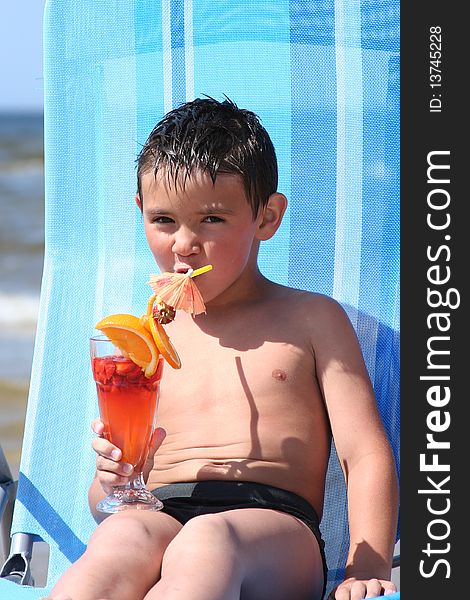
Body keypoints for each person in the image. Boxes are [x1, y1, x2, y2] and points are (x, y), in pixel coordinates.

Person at [45, 97, 399, 600]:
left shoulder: (311, 319)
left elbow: (364, 454)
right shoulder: (144, 335)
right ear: (141, 212)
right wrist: (112, 480)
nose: (184, 244)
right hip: (161, 510)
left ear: (267, 218)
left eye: (211, 220)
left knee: (207, 542)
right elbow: (106, 501)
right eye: (164, 220)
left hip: (275, 528)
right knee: (116, 538)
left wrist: (366, 566)